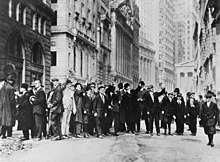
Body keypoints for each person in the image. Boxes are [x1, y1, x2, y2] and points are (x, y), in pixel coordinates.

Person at [0, 72, 16, 139]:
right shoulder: (11, 88)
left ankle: (2, 134)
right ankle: (9, 135)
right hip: (9, 107)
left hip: (2, 106)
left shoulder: (2, 88)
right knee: (10, 120)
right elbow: (12, 100)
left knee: (4, 121)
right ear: (11, 81)